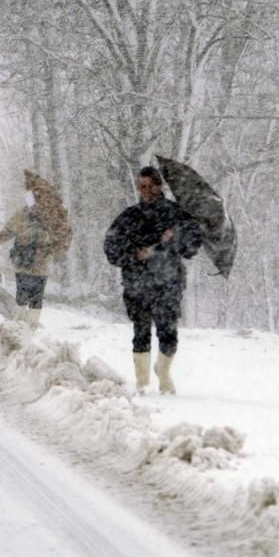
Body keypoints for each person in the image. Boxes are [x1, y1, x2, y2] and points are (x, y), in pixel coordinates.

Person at [103, 166, 201, 394]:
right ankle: (142, 382)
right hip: (137, 283)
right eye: (142, 186)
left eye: (151, 185)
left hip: (169, 283)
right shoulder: (129, 216)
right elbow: (111, 247)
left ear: (160, 186)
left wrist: (175, 240)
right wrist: (135, 253)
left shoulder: (177, 215)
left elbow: (192, 247)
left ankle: (164, 373)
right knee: (141, 331)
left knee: (169, 332)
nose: (146, 191)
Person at [0, 171, 72, 330]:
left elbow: (11, 227)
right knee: (37, 297)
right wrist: (57, 248)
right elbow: (62, 233)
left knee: (22, 294)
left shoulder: (27, 210)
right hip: (41, 262)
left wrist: (0, 238)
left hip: (23, 259)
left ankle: (17, 327)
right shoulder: (56, 211)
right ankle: (31, 328)